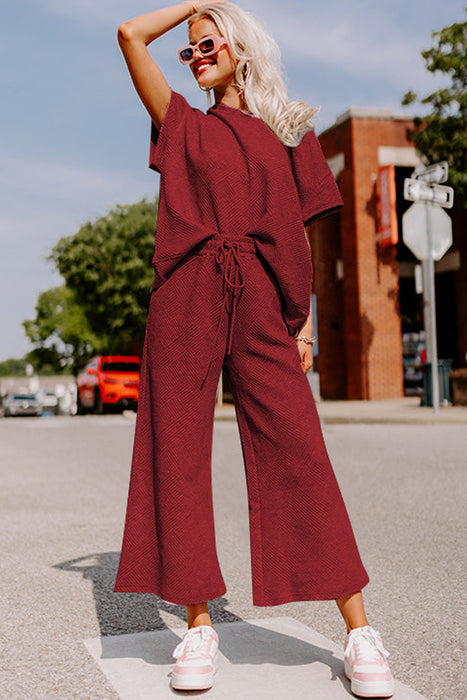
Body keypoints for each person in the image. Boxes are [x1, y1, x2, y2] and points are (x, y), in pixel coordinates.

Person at [114, 2, 395, 697]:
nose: (195, 56)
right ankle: (198, 625)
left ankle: (359, 631)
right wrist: (192, 7)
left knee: (299, 452)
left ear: (238, 47)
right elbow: (127, 34)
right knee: (175, 453)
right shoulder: (180, 122)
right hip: (186, 294)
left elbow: (302, 234)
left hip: (266, 303)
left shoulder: (290, 128)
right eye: (187, 51)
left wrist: (302, 324)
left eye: (206, 44)